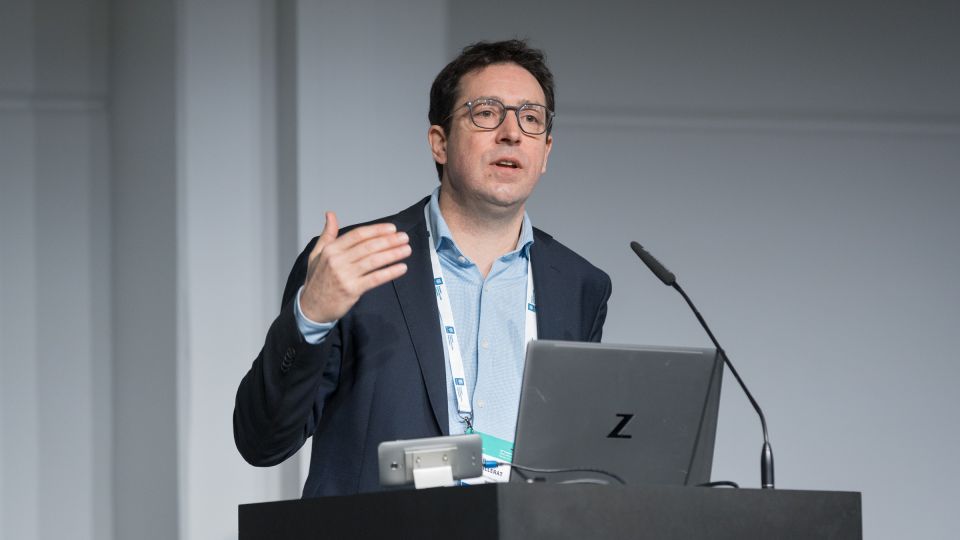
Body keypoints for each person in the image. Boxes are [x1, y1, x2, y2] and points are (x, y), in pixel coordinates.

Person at [234, 39, 612, 497]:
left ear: (546, 151)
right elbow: (262, 441)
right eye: (487, 113)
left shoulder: (579, 286)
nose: (512, 133)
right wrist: (309, 318)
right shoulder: (354, 263)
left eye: (530, 119)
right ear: (440, 143)